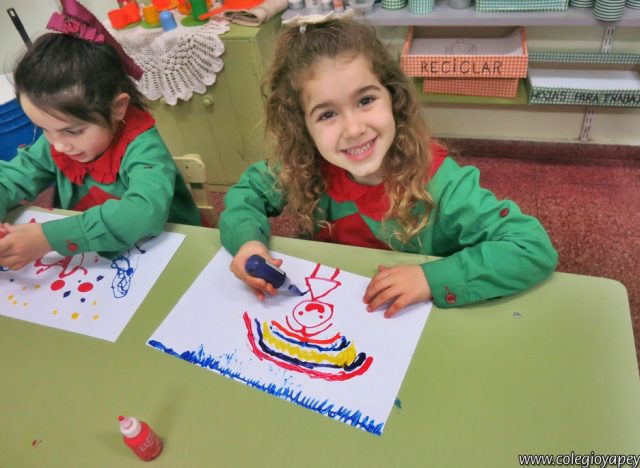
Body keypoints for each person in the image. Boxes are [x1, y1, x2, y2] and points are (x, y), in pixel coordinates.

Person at [220, 18, 558, 317]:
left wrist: (431, 278)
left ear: (394, 98)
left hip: (415, 319)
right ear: (303, 128)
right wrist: (248, 243)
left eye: (366, 100)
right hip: (335, 305)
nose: (354, 129)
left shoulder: (441, 182)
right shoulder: (304, 165)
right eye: (327, 114)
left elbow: (530, 247)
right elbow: (248, 193)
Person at [0, 0, 200, 271]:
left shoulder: (143, 146)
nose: (58, 145)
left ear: (118, 108)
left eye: (73, 131)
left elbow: (143, 213)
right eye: (43, 128)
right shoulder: (59, 140)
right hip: (93, 254)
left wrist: (48, 238)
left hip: (166, 249)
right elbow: (10, 178)